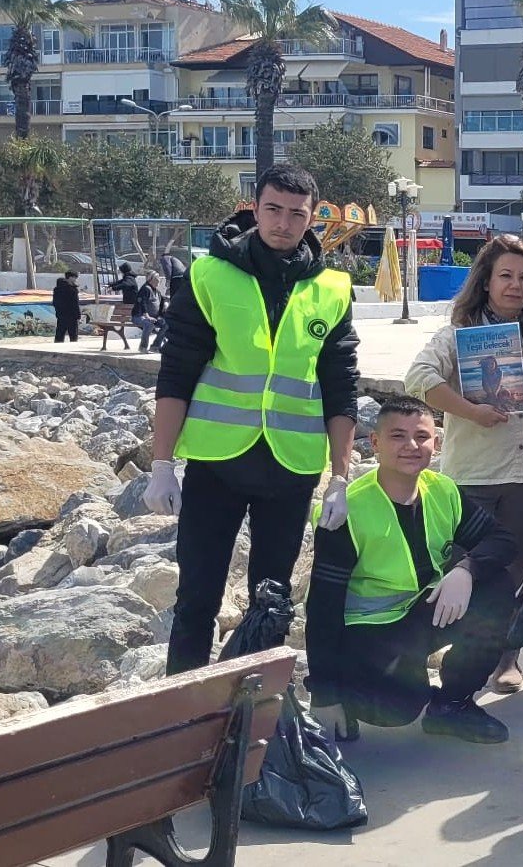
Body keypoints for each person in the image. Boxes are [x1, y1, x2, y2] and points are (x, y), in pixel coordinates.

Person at [144, 163, 361, 676]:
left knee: (272, 598)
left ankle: (256, 707)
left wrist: (341, 476)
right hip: (217, 463)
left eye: (296, 214)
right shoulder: (210, 275)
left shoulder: (332, 288)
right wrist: (160, 462)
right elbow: (177, 372)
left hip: (291, 467)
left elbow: (341, 385)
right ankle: (184, 708)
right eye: (273, 210)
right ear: (255, 207)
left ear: (312, 219)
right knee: (197, 596)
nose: (283, 223)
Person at [405, 235, 523, 694]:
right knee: (463, 569)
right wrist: (471, 411)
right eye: (506, 275)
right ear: (485, 282)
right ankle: (455, 660)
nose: (515, 285)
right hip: (471, 476)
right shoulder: (457, 335)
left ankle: (505, 656)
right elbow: (418, 378)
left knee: (517, 570)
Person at [305, 396, 521, 744]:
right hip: (366, 632)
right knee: (397, 706)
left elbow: (502, 540)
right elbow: (322, 608)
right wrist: (324, 695)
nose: (411, 446)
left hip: (416, 616)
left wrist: (466, 570)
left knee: (495, 587)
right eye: (397, 436)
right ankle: (347, 694)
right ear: (374, 443)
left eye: (421, 436)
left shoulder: (441, 490)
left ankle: (452, 707)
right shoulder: (349, 510)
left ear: (435, 442)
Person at [132, 272, 165, 353]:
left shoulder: (157, 291)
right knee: (149, 324)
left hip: (153, 317)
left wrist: (161, 315)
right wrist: (147, 315)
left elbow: (161, 304)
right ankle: (143, 347)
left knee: (166, 324)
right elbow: (142, 303)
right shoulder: (145, 289)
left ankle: (155, 346)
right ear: (151, 280)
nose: (158, 282)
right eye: (157, 280)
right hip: (139, 316)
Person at [52, 271, 81, 343]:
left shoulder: (57, 289)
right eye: (74, 277)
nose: (75, 279)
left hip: (61, 315)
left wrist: (58, 312)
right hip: (72, 315)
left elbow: (55, 302)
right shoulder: (72, 290)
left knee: (60, 334)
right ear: (70, 277)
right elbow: (75, 304)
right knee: (73, 335)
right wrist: (78, 315)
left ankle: (56, 348)